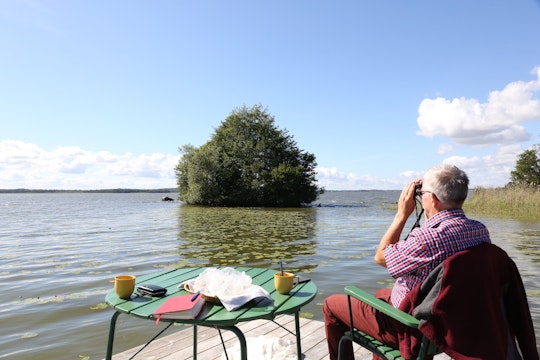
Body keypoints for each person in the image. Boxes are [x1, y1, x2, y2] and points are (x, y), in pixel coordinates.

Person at [323, 164, 492, 360]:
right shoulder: (480, 231)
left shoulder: (427, 239)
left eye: (422, 193)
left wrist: (401, 215)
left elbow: (380, 257)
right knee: (381, 295)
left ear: (433, 199)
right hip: (447, 325)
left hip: (412, 329)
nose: (419, 197)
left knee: (330, 305)